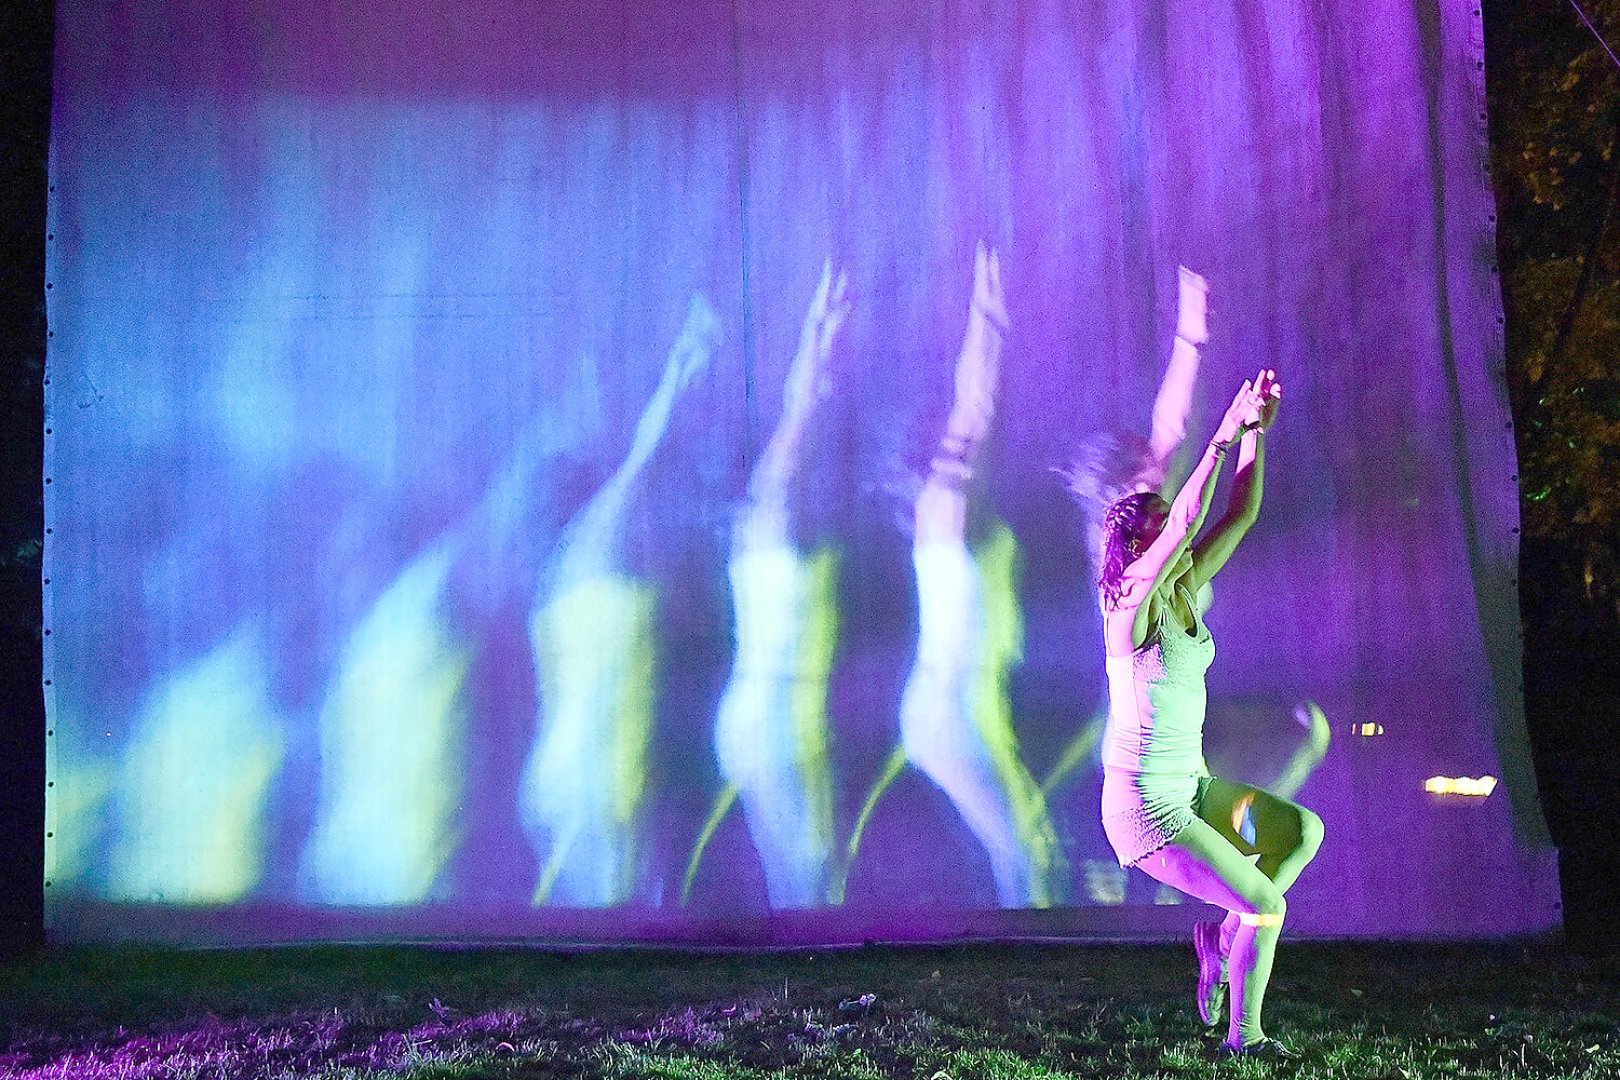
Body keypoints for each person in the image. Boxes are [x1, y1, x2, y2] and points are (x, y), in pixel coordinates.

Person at [1097, 369, 1323, 1056]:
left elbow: (1239, 515)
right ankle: (1244, 1037)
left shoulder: (1185, 589)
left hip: (1190, 788)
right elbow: (1194, 516)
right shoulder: (1126, 609)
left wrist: (1256, 435)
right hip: (1146, 809)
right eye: (1162, 531)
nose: (1178, 538)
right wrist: (1225, 428)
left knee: (1299, 831)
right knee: (1267, 903)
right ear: (1137, 550)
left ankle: (1221, 940)